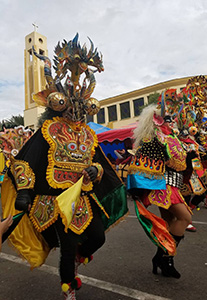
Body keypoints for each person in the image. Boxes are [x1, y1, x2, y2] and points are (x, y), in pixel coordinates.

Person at [1, 34, 127, 300]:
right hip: (54, 200)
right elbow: (25, 160)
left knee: (97, 239)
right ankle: (68, 288)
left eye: (83, 108)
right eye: (73, 106)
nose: (77, 113)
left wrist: (96, 171)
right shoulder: (49, 129)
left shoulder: (88, 134)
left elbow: (99, 162)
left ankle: (77, 261)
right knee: (68, 245)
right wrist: (25, 190)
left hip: (81, 198)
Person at [127, 102, 192, 279]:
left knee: (170, 223)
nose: (171, 122)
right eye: (167, 119)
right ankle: (166, 259)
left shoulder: (174, 137)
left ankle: (160, 258)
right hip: (162, 186)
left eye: (172, 119)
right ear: (157, 120)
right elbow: (141, 161)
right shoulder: (154, 138)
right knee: (185, 217)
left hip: (174, 185)